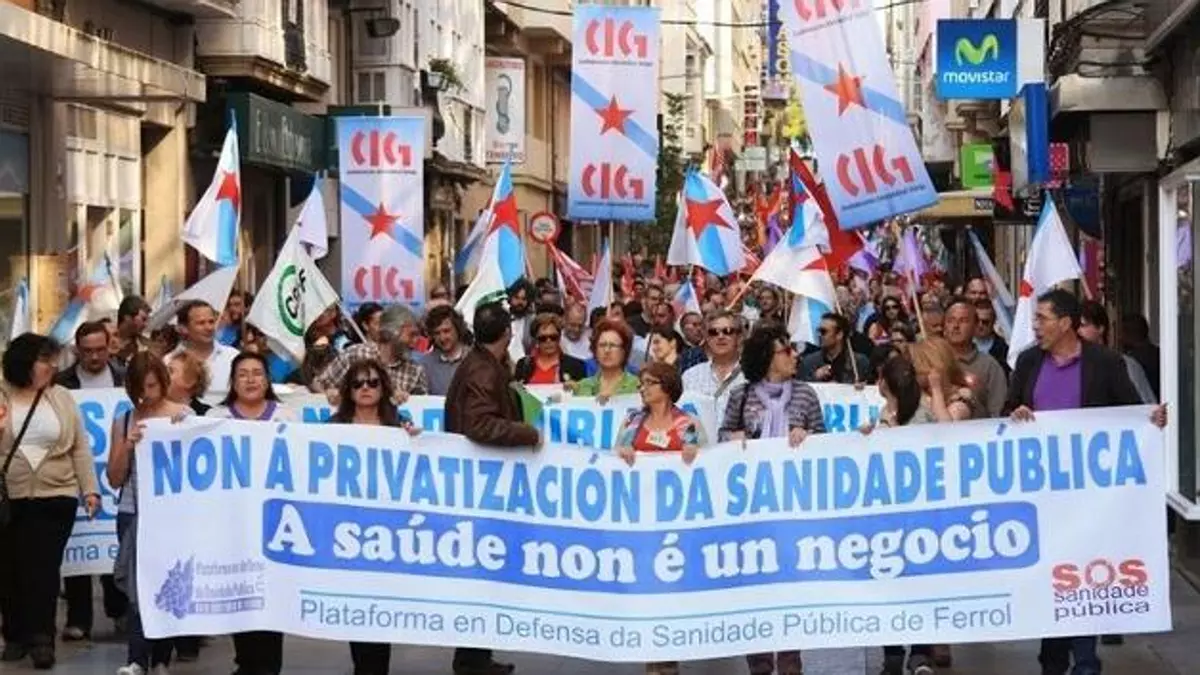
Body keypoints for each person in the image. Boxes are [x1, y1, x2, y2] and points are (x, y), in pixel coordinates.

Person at [1005, 289, 1167, 675]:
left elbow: (1130, 412)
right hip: (1042, 492)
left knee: (1082, 573)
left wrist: (1150, 421)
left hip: (1090, 495)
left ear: (1066, 323)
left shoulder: (1105, 362)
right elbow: (1007, 408)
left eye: (1042, 318)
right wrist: (1016, 412)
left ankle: (1085, 658)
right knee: (1051, 575)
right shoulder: (1028, 361)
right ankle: (1053, 657)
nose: (1035, 326)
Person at [443, 302, 539, 675]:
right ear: (508, 333)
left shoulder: (480, 364)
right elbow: (479, 425)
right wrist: (526, 433)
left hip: (480, 481)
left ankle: (475, 655)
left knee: (482, 573)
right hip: (481, 484)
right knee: (481, 573)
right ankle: (471, 659)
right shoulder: (483, 370)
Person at [0, 333, 100, 669]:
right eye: (44, 360)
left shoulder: (62, 398)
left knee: (42, 568)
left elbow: (80, 447)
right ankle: (15, 634)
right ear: (24, 363)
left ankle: (42, 638)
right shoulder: (2, 395)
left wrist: (89, 489)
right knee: (10, 569)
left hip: (55, 495)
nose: (52, 366)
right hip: (9, 495)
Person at [206, 353, 297, 675]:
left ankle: (269, 666)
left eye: (257, 373)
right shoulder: (216, 418)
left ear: (267, 379)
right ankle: (245, 662)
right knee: (240, 592)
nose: (250, 379)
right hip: (232, 524)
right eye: (242, 374)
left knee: (272, 596)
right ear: (232, 381)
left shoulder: (287, 417)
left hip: (274, 524)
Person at [328, 358, 418, 675]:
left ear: (383, 387)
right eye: (357, 383)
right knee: (358, 610)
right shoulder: (332, 428)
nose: (365, 388)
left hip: (387, 534)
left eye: (373, 382)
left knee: (381, 611)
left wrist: (416, 440)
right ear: (348, 390)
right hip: (347, 532)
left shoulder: (398, 426)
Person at [107, 353, 192, 675]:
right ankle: (138, 658)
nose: (147, 395)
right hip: (133, 511)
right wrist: (127, 446)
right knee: (137, 588)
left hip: (172, 514)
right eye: (140, 389)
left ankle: (160, 658)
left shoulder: (183, 416)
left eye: (153, 386)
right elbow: (114, 478)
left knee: (167, 584)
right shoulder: (124, 421)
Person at [56, 322, 129, 643]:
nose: (95, 357)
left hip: (113, 469)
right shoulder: (62, 383)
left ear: (110, 346)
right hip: (74, 471)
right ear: (77, 350)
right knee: (77, 544)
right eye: (88, 351)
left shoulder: (125, 379)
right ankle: (78, 618)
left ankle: (119, 608)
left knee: (114, 540)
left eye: (101, 350)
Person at [865, 357, 936, 675]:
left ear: (888, 383)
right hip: (888, 517)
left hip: (917, 515)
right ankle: (893, 652)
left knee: (918, 585)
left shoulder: (922, 414)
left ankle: (920, 651)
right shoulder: (883, 414)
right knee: (888, 585)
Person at [315, 306, 428, 404]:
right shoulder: (355, 354)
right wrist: (329, 393)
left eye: (417, 335)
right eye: (412, 335)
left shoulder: (415, 371)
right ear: (392, 332)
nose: (416, 342)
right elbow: (318, 384)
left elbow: (422, 409)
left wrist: (407, 400)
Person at [1079, 301, 1155, 403]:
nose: (1077, 331)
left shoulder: (1124, 363)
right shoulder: (1071, 367)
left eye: (1082, 325)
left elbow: (1147, 406)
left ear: (1100, 328)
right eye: (1074, 326)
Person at [943, 297, 1007, 417]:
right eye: (950, 321)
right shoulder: (933, 360)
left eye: (963, 321)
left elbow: (998, 414)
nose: (955, 326)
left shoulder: (990, 366)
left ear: (975, 326)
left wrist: (972, 402)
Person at [166, 300, 239, 398]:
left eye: (211, 322)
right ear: (184, 328)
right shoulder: (169, 361)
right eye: (201, 323)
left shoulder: (234, 357)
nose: (208, 328)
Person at [682, 310, 747, 417]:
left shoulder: (752, 376)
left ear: (739, 337)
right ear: (707, 338)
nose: (720, 336)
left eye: (728, 331)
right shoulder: (690, 376)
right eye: (713, 332)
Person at [906, 337, 976, 423]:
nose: (914, 373)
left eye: (917, 367)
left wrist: (936, 389)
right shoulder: (920, 394)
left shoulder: (960, 401)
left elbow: (944, 425)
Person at [574, 319, 640, 401]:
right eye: (602, 345)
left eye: (613, 345)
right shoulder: (581, 386)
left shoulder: (637, 386)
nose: (607, 350)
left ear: (624, 351)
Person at [515, 313, 586, 385]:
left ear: (559, 337)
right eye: (543, 338)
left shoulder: (576, 366)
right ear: (536, 340)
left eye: (553, 337)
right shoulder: (523, 365)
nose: (548, 341)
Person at [800, 313, 870, 384]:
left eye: (823, 332)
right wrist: (814, 378)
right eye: (819, 331)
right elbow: (800, 387)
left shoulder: (858, 363)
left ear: (839, 335)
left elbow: (870, 386)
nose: (820, 335)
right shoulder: (809, 362)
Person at [420, 305, 472, 396]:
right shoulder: (425, 364)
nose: (442, 338)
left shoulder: (474, 358)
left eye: (446, 331)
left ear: (458, 329)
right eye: (437, 333)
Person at [1119, 312, 1160, 398]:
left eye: (1121, 333)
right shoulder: (1161, 355)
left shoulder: (1129, 362)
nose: (1120, 338)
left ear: (1129, 334)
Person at [974, 300, 1010, 371]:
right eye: (976, 321)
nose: (980, 325)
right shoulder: (961, 344)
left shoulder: (1004, 348)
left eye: (985, 322)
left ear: (993, 321)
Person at [114, 296, 151, 364]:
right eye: (143, 319)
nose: (145, 325)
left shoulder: (143, 347)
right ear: (127, 317)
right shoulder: (104, 338)